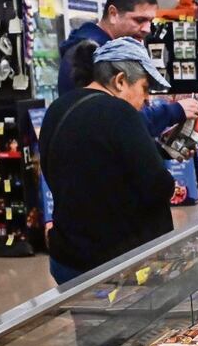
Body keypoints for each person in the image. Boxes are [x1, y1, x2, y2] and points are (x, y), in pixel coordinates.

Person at [39, 37, 177, 285]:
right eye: (145, 88)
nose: (147, 100)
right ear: (120, 80)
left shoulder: (58, 108)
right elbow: (157, 185)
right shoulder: (121, 113)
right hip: (120, 266)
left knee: (88, 323)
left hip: (68, 260)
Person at [57, 0, 198, 129]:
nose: (147, 29)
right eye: (139, 20)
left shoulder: (107, 50)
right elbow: (124, 120)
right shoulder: (96, 55)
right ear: (113, 14)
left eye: (150, 21)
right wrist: (174, 111)